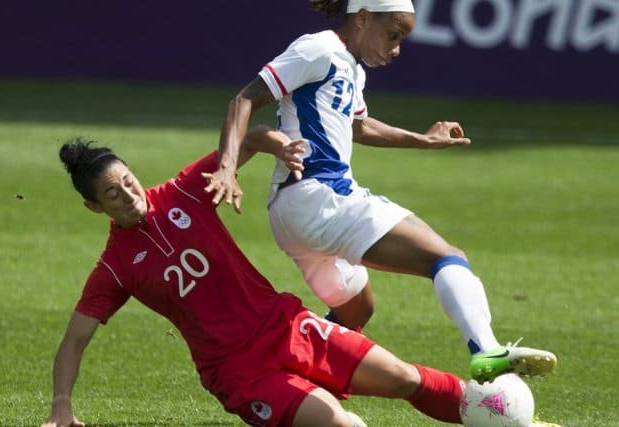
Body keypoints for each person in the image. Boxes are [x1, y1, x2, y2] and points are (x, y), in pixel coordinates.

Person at [206, 0, 557, 384]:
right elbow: (245, 98)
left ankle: (291, 381)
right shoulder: (318, 48)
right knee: (446, 257)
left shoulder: (351, 68)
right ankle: (486, 350)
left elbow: (359, 126)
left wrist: (423, 140)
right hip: (320, 196)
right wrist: (227, 167)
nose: (397, 49)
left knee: (356, 310)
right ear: (362, 18)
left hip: (294, 212)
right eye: (393, 35)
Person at [41, 136, 471, 427]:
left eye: (128, 181)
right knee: (339, 424)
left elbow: (250, 138)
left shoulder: (184, 192)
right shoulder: (115, 267)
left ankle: (496, 412)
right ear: (94, 207)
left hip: (286, 326)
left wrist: (280, 148)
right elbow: (74, 340)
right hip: (239, 372)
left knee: (404, 378)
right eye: (112, 194)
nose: (129, 195)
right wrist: (61, 406)